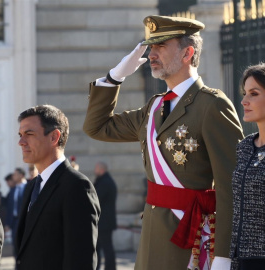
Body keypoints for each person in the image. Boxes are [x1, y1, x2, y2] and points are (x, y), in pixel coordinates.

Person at [84, 15, 244, 270]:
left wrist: (223, 256)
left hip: (190, 239)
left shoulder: (212, 105)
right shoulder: (155, 107)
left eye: (161, 46)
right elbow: (97, 127)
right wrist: (114, 78)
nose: (151, 54)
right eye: (151, 46)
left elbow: (231, 186)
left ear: (187, 53)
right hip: (152, 236)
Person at [16, 104, 100, 270]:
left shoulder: (77, 186)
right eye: (20, 135)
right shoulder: (32, 185)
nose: (21, 142)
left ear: (54, 137)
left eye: (29, 134)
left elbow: (81, 260)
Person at [230, 63, 265, 269]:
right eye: (245, 93)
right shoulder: (244, 146)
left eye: (253, 93)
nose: (244, 101)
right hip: (239, 258)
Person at [94, 162, 117, 270]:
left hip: (104, 222)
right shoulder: (106, 181)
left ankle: (109, 268)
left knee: (106, 247)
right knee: (99, 247)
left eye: (96, 168)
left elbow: (96, 198)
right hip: (104, 221)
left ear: (101, 169)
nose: (95, 171)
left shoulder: (105, 182)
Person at [5, 168, 27, 255]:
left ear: (21, 175)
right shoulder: (13, 190)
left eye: (15, 174)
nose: (13, 176)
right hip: (14, 222)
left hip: (24, 221)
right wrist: (7, 223)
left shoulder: (28, 187)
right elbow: (10, 207)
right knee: (15, 245)